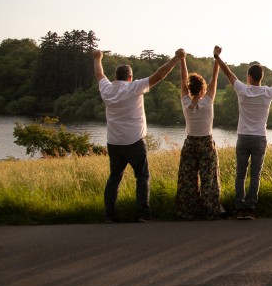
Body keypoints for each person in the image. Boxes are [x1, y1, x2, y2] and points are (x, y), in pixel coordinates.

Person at [94, 48, 182, 223]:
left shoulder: (107, 90)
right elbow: (159, 75)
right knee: (142, 177)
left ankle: (109, 215)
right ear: (130, 77)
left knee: (114, 178)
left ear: (115, 77)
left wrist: (98, 58)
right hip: (134, 141)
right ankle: (143, 214)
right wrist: (176, 59)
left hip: (114, 142)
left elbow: (99, 74)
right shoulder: (134, 88)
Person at [213, 46, 272, 220]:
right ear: (261, 78)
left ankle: (239, 208)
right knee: (255, 174)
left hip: (243, 137)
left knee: (240, 173)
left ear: (249, 77)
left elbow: (228, 73)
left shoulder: (243, 89)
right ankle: (251, 208)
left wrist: (217, 57)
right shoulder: (267, 92)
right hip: (259, 138)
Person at [175, 51, 224, 220]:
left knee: (188, 179)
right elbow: (215, 78)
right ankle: (211, 210)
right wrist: (216, 57)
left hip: (190, 143)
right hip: (206, 143)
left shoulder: (185, 102)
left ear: (189, 89)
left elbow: (183, 80)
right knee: (209, 178)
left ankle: (187, 211)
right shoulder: (207, 101)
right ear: (203, 89)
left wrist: (182, 60)